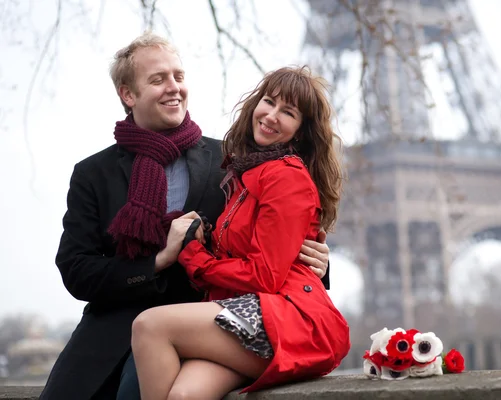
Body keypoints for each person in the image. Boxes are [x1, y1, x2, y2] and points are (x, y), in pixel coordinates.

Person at [40, 33, 331, 400]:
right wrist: (158, 261)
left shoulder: (230, 161)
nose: (173, 87)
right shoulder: (93, 173)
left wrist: (321, 261)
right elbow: (76, 269)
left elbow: (278, 235)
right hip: (113, 330)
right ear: (128, 95)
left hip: (212, 325)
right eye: (158, 79)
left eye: (178, 76)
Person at [130, 66, 351, 399]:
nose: (271, 115)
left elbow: (265, 275)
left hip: (285, 318)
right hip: (248, 316)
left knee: (148, 326)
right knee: (184, 395)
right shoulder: (246, 173)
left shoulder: (285, 176)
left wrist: (194, 255)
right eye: (269, 101)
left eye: (288, 112)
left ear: (300, 132)